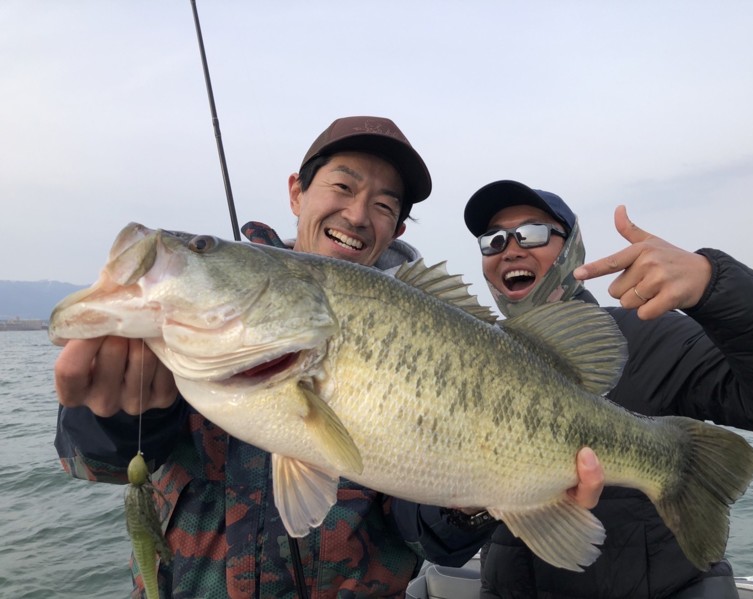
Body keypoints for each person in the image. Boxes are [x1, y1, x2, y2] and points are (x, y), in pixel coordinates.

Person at [54, 116, 496, 599]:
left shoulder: (424, 337)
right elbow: (97, 462)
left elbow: (427, 535)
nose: (356, 214)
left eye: (383, 205)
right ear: (296, 193)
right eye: (342, 185)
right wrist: (120, 413)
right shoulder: (197, 327)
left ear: (395, 229)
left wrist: (478, 501)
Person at [463, 179, 753, 599]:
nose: (510, 249)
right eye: (493, 240)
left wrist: (713, 285)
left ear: (571, 250)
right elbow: (424, 527)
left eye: (532, 233)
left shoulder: (650, 334)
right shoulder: (465, 360)